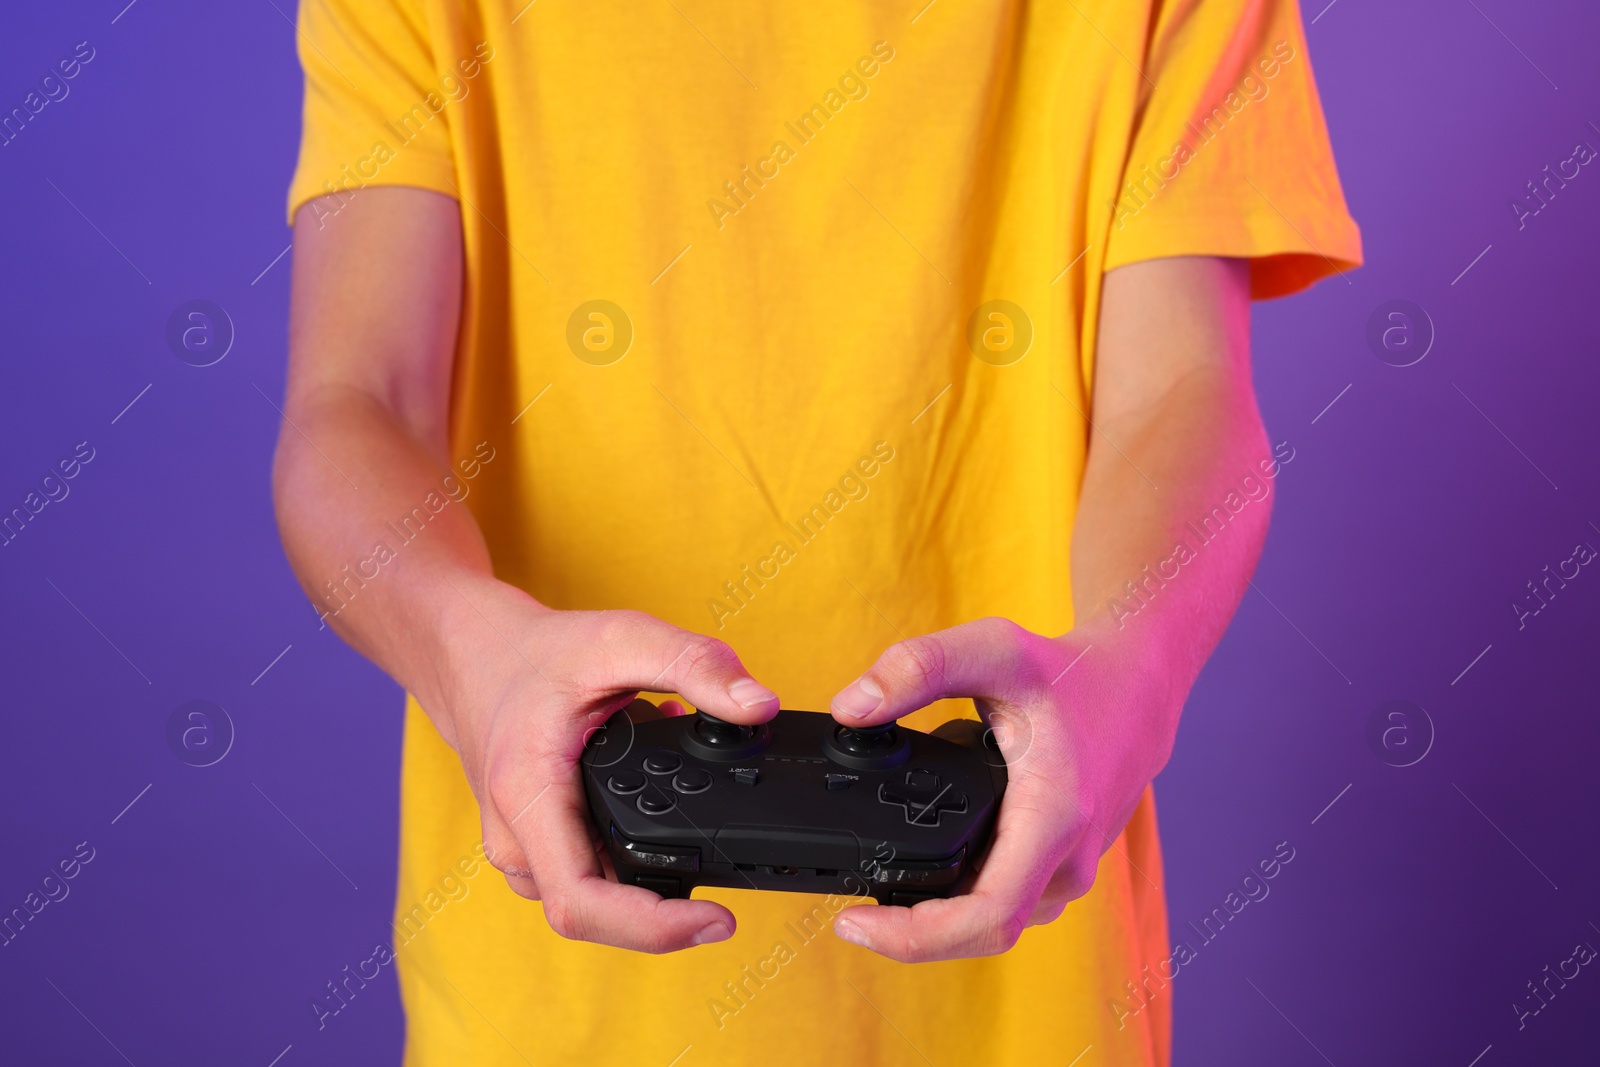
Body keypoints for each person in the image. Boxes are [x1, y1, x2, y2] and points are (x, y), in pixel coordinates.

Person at [272, 0, 1359, 1062]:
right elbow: (356, 405)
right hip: (550, 1006)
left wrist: (1131, 661)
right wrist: (471, 653)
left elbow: (1179, 393)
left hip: (1024, 1001)